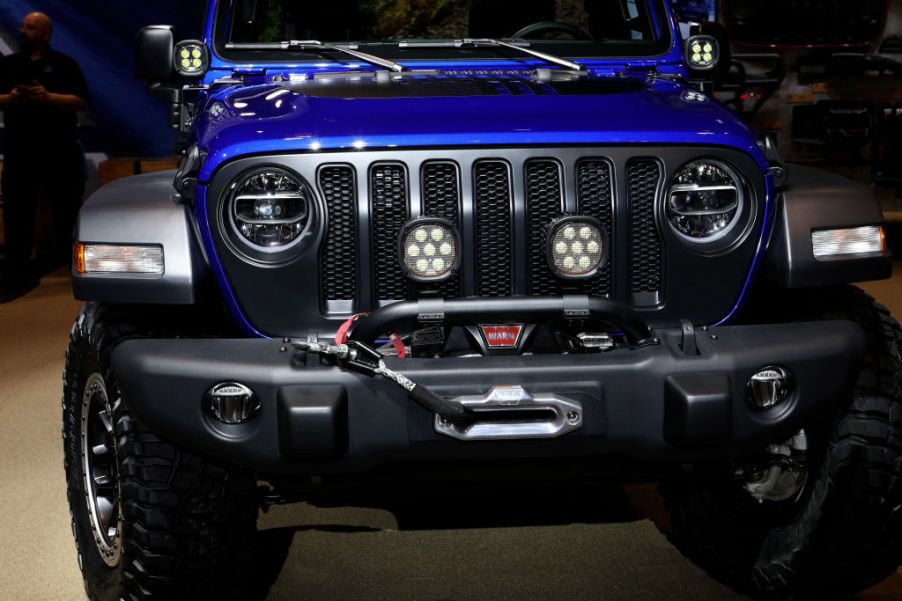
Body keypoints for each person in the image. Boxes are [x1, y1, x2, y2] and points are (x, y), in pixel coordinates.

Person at [0, 11, 89, 300]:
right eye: (23, 26)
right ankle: (17, 268)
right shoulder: (9, 64)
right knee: (17, 212)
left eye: (30, 27)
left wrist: (47, 97)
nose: (22, 30)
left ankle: (74, 267)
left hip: (57, 149)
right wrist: (9, 98)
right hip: (18, 149)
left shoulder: (64, 64)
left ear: (45, 34)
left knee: (66, 210)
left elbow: (80, 100)